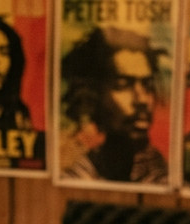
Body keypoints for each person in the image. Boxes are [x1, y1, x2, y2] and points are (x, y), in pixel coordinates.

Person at [59, 27, 167, 184]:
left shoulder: (166, 176)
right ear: (93, 95)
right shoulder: (74, 177)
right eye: (122, 85)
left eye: (147, 85)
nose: (142, 100)